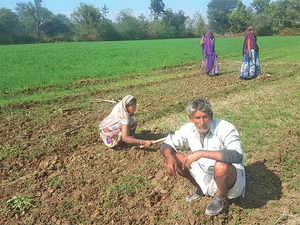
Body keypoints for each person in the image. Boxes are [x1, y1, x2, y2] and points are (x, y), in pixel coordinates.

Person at [160, 98, 245, 216]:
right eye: (197, 118)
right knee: (178, 157)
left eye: (205, 117)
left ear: (211, 116)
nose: (202, 122)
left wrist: (201, 153)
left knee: (221, 165)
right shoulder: (188, 129)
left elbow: (237, 156)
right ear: (190, 118)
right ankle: (200, 189)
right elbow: (167, 144)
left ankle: (221, 198)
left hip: (230, 179)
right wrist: (169, 158)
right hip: (205, 173)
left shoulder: (225, 127)